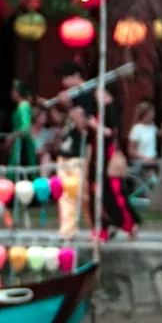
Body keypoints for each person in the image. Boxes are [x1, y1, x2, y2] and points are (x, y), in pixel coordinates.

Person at [56, 102, 91, 238]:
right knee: (66, 195)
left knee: (83, 195)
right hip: (64, 159)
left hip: (78, 160)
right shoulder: (67, 121)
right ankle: (68, 229)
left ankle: (96, 225)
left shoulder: (84, 113)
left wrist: (73, 110)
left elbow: (83, 125)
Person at [8, 81, 38, 173]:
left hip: (23, 141)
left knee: (22, 166)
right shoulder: (20, 106)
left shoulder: (24, 106)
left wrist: (14, 135)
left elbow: (25, 126)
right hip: (18, 140)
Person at [127, 100, 159, 170]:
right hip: (141, 164)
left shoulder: (153, 127)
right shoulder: (137, 129)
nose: (153, 115)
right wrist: (144, 158)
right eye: (151, 113)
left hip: (153, 163)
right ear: (145, 115)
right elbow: (131, 150)